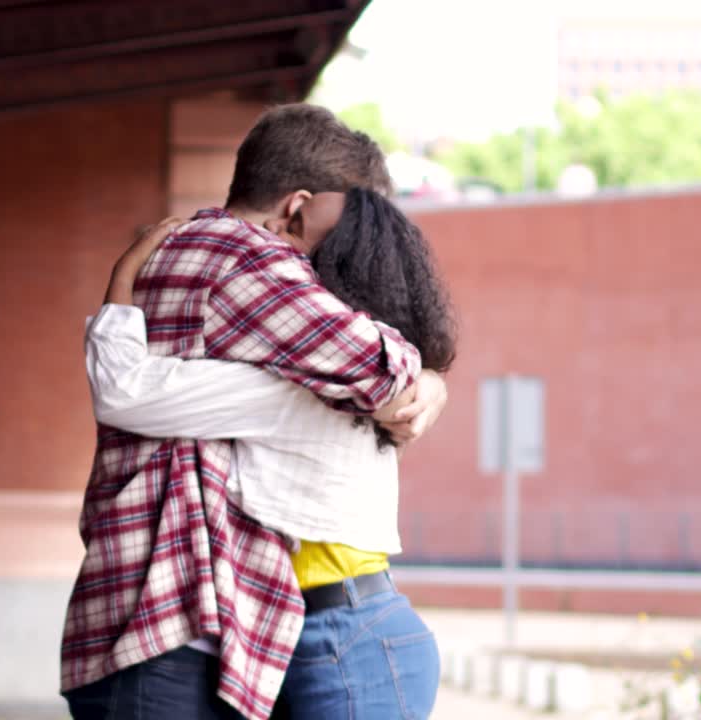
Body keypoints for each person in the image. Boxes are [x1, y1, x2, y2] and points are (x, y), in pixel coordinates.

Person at [59, 105, 447, 720]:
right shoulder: (252, 261)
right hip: (168, 620)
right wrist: (424, 375)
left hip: (139, 608)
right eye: (347, 225)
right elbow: (382, 371)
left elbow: (127, 389)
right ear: (295, 207)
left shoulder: (171, 255)